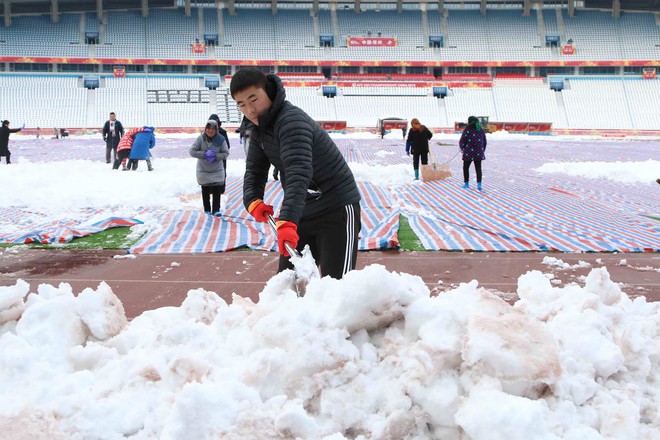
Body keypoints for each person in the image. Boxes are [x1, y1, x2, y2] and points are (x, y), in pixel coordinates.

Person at [230, 67, 361, 280]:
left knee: (337, 289)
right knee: (287, 282)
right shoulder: (258, 129)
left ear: (268, 93)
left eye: (254, 99)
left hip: (336, 207)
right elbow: (255, 169)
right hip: (305, 209)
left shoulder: (291, 122)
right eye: (242, 104)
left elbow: (298, 173)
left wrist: (288, 220)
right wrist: (252, 199)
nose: (250, 110)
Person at [189, 120, 229, 216]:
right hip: (203, 169)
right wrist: (204, 154)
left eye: (212, 129)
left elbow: (225, 153)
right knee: (205, 189)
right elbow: (192, 151)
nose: (210, 131)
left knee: (217, 189)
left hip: (217, 169)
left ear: (216, 130)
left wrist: (215, 156)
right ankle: (207, 209)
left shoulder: (221, 139)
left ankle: (216, 209)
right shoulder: (200, 139)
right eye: (208, 128)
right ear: (205, 129)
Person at [459, 115, 487, 191]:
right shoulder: (480, 130)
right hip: (478, 152)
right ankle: (479, 184)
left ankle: (466, 183)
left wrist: (462, 148)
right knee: (478, 168)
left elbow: (462, 140)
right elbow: (484, 142)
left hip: (468, 152)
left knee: (466, 167)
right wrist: (482, 150)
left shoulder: (467, 129)